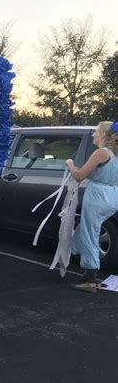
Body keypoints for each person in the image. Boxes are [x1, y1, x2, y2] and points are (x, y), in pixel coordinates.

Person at [65, 121, 118, 293]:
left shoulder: (101, 153)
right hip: (111, 195)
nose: (93, 134)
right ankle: (88, 272)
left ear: (103, 134)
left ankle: (91, 282)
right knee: (85, 230)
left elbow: (79, 176)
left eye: (95, 131)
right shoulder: (114, 154)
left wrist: (70, 163)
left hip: (97, 197)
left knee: (89, 234)